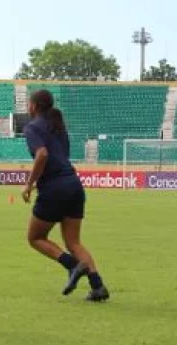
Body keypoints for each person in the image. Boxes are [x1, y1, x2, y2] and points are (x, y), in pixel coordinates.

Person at [21, 89, 109, 302]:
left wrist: (29, 184)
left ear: (33, 106)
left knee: (35, 238)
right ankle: (98, 286)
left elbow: (42, 154)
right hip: (73, 184)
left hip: (54, 187)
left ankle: (72, 265)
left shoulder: (32, 127)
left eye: (28, 103)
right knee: (74, 242)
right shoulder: (58, 126)